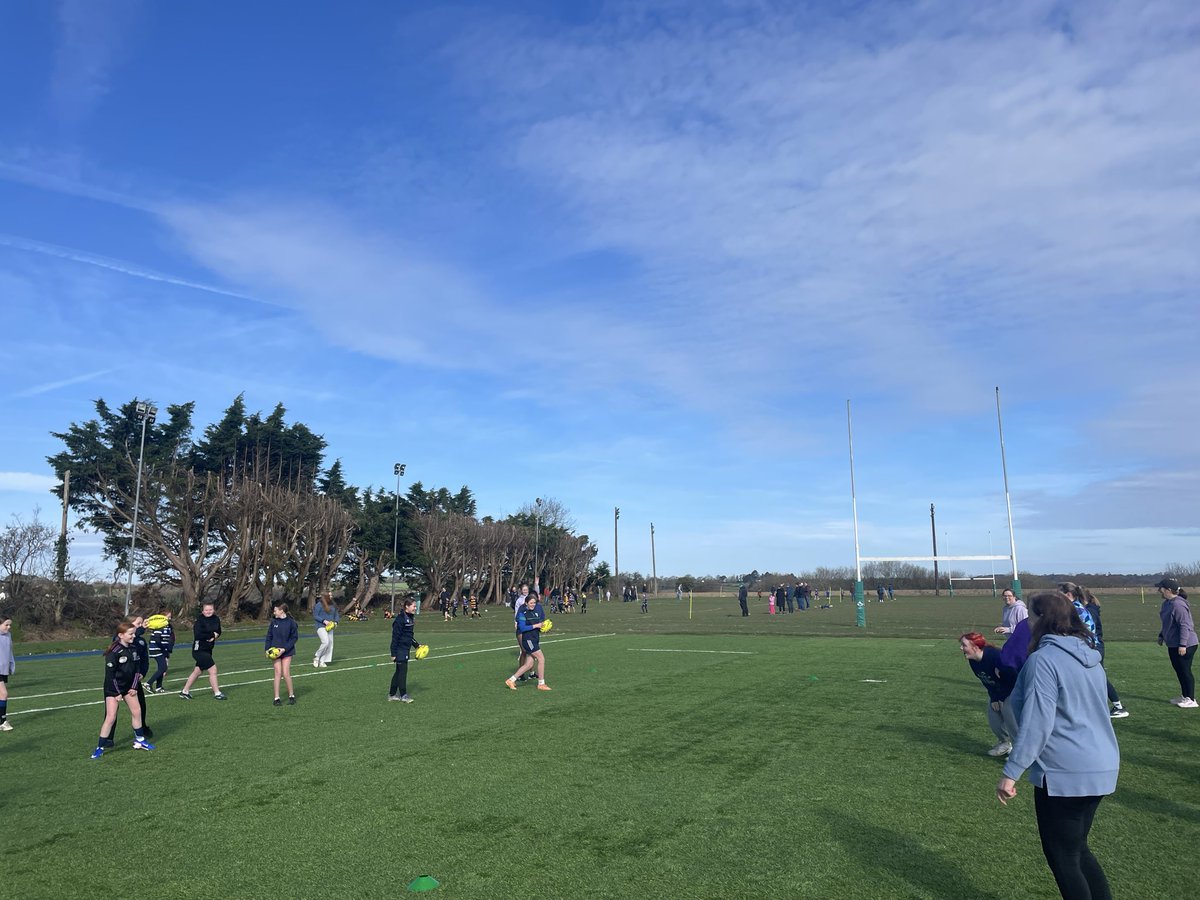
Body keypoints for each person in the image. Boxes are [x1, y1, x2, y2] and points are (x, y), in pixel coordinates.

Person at [996, 591, 1118, 900]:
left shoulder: (1044, 661)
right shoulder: (1090, 655)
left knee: (1063, 856)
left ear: (1040, 620)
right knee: (1076, 850)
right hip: (1101, 765)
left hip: (1065, 773)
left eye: (1031, 617)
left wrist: (1011, 772)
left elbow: (1038, 723)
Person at [1059, 582, 1126, 719]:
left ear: (1069, 595)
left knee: (1096, 679)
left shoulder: (1077, 611)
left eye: (1059, 594)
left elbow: (1085, 634)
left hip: (1085, 650)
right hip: (1084, 649)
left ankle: (1113, 707)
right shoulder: (1072, 609)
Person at [91, 621, 154, 758]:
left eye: (134, 633)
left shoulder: (133, 648)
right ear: (121, 635)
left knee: (137, 711)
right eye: (130, 634)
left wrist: (133, 687)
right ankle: (99, 747)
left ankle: (140, 740)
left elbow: (137, 670)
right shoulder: (113, 651)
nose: (133, 636)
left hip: (129, 687)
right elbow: (110, 675)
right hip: (113, 688)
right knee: (111, 717)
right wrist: (117, 692)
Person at [960, 632, 1017, 756]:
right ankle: (1005, 743)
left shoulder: (995, 657)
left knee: (1008, 712)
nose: (961, 648)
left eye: (964, 645)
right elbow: (985, 680)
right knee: (993, 714)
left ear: (975, 647)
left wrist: (1001, 698)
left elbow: (1012, 678)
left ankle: (1019, 750)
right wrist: (994, 698)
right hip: (999, 692)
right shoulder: (973, 660)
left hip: (1015, 689)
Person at [1154, 577, 1198, 708]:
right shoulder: (1167, 603)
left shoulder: (1178, 604)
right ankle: (1185, 696)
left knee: (1185, 671)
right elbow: (1168, 623)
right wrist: (1162, 635)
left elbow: (1185, 625)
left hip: (1186, 644)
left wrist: (1183, 644)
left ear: (1168, 590)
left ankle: (1191, 699)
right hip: (1173, 644)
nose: (1159, 591)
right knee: (1179, 670)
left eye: (1161, 588)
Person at [180, 602, 227, 700]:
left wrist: (215, 635)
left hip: (208, 649)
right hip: (199, 650)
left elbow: (218, 631)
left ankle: (185, 691)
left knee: (197, 671)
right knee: (213, 670)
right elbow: (198, 635)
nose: (208, 611)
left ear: (213, 610)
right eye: (206, 610)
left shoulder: (216, 619)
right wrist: (211, 635)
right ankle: (217, 693)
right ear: (203, 611)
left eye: (210, 610)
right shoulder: (199, 621)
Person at [505, 593, 551, 691]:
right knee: (541, 659)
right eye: (531, 603)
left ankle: (511, 680)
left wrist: (544, 627)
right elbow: (522, 628)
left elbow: (540, 624)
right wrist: (536, 626)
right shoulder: (522, 613)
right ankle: (541, 683)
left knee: (529, 664)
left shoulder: (536, 612)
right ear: (526, 603)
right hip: (528, 640)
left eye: (534, 603)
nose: (533, 605)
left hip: (535, 639)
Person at [266, 601, 299, 706]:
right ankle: (276, 698)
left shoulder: (291, 623)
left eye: (275, 610)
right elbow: (269, 636)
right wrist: (267, 649)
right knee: (277, 673)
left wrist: (284, 649)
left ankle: (291, 696)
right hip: (275, 652)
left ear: (281, 611)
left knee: (285, 673)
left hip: (287, 651)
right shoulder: (273, 622)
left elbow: (294, 638)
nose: (274, 612)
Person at [388, 597, 420, 702]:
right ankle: (403, 695)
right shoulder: (400, 619)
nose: (415, 608)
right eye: (414, 606)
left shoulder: (410, 617)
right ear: (407, 606)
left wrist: (417, 645)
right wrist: (393, 653)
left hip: (405, 648)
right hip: (400, 649)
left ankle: (392, 695)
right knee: (402, 672)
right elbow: (395, 637)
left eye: (415, 606)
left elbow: (409, 635)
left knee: (398, 672)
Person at [146, 609, 175, 693]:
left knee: (162, 667)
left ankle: (159, 687)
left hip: (162, 649)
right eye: (168, 617)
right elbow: (157, 639)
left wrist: (168, 648)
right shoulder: (159, 626)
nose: (169, 619)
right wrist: (163, 648)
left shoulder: (167, 626)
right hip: (157, 649)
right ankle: (148, 683)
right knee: (163, 667)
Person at [313, 591, 340, 668]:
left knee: (330, 644)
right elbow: (315, 616)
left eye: (332, 595)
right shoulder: (319, 605)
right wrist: (324, 621)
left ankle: (322, 661)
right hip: (321, 626)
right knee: (325, 642)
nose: (331, 596)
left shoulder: (333, 605)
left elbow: (336, 615)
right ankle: (317, 657)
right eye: (330, 595)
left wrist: (336, 622)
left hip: (330, 627)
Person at [0, 617, 13, 731]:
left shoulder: (8, 635)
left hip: (3, 669)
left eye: (10, 625)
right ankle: (3, 722)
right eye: (6, 625)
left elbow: (10, 651)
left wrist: (11, 664)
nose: (8, 627)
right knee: (4, 694)